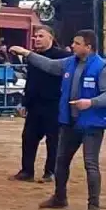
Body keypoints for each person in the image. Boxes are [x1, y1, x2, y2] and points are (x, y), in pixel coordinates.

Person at [10, 29, 106, 210]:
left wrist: (91, 102)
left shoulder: (102, 67)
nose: (72, 46)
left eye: (77, 43)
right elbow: (49, 65)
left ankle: (94, 205)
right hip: (69, 121)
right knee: (61, 161)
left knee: (90, 164)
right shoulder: (70, 63)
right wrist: (27, 54)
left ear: (88, 47)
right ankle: (60, 197)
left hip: (91, 123)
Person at [13, 25, 68, 182]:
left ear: (51, 38)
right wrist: (24, 103)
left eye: (40, 36)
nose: (36, 39)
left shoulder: (61, 56)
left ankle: (50, 172)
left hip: (54, 105)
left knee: (53, 140)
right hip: (35, 105)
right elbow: (30, 82)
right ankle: (27, 171)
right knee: (28, 138)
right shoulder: (33, 57)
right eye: (35, 37)